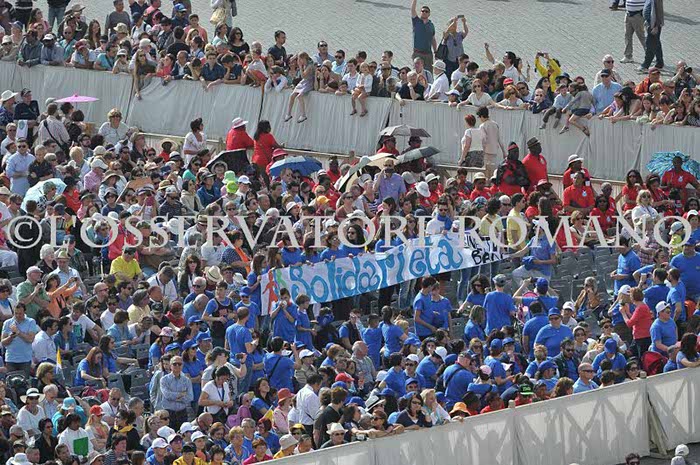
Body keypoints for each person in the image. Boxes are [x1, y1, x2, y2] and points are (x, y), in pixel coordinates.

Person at [410, 0, 436, 71]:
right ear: (420, 12)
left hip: (428, 54)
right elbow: (412, 9)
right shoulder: (416, 21)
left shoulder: (431, 25)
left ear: (429, 14)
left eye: (426, 11)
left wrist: (435, 52)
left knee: (429, 73)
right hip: (417, 53)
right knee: (417, 72)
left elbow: (433, 39)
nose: (424, 12)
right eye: (422, 11)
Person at [639, 0, 664, 72]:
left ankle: (645, 66)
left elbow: (658, 12)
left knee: (650, 45)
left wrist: (655, 26)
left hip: (653, 25)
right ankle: (659, 63)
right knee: (656, 43)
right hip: (650, 24)